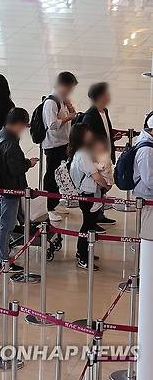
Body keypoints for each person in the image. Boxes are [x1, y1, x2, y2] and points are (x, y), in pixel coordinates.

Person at [0, 108, 37, 272]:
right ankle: (4, 259)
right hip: (9, 190)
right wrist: (28, 163)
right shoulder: (11, 142)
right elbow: (15, 168)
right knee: (6, 225)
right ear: (18, 124)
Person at [68, 124, 110, 270]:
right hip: (88, 194)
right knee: (88, 225)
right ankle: (83, 256)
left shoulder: (81, 152)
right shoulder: (83, 154)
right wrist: (106, 184)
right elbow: (96, 176)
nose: (90, 135)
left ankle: (83, 252)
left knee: (88, 224)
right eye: (87, 133)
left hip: (88, 192)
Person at [43, 71, 79, 222]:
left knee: (60, 175)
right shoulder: (51, 102)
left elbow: (71, 118)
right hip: (53, 145)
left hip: (63, 143)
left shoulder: (62, 100)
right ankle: (48, 207)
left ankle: (56, 202)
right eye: (69, 88)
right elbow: (52, 125)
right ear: (63, 85)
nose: (70, 91)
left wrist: (71, 111)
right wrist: (67, 117)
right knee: (51, 176)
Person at [81, 82, 117, 227]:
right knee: (95, 190)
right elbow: (87, 141)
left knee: (101, 191)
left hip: (105, 156)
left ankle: (99, 215)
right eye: (107, 93)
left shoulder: (104, 111)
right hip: (97, 160)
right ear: (101, 96)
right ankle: (91, 221)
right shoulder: (90, 116)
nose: (109, 96)